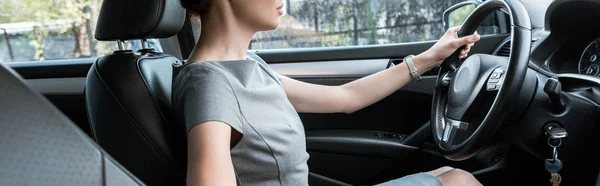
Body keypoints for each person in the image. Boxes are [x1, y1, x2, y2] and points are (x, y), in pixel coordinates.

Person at [172, 0, 482, 185]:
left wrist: (431, 56)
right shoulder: (208, 84)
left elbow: (345, 98)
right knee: (460, 181)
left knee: (448, 174)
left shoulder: (248, 64)